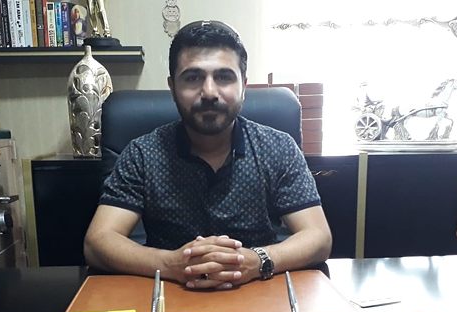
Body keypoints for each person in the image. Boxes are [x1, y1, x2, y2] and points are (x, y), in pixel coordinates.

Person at [84, 20, 332, 289]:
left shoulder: (278, 148)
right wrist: (171, 264)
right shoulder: (142, 154)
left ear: (243, 86)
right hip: (170, 293)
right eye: (193, 78)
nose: (210, 92)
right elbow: (98, 242)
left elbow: (318, 237)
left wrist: (256, 260)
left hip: (260, 291)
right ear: (172, 87)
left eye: (224, 77)